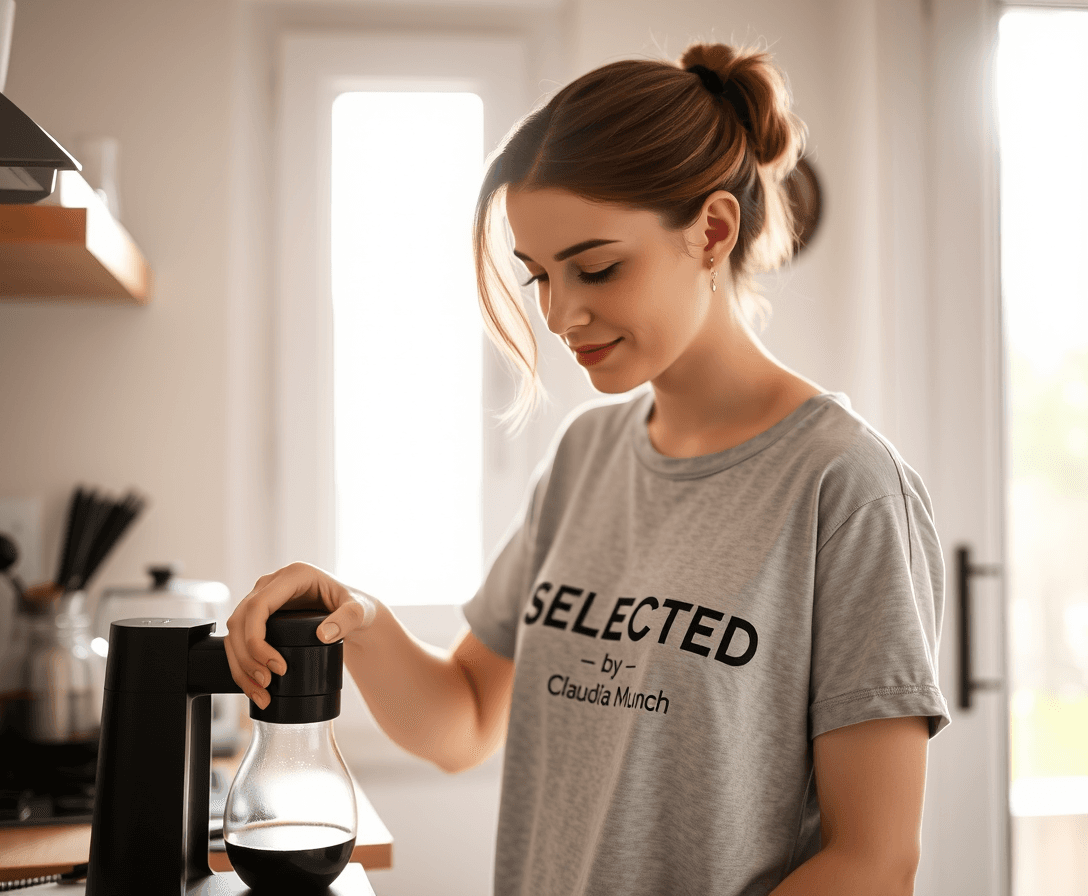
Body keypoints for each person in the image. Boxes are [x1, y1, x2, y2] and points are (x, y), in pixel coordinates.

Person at [225, 40, 951, 896]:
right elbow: (462, 718)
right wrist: (357, 616)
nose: (562, 313)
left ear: (712, 231)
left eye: (597, 267)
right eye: (537, 276)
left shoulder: (846, 487)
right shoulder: (586, 454)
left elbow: (873, 862)